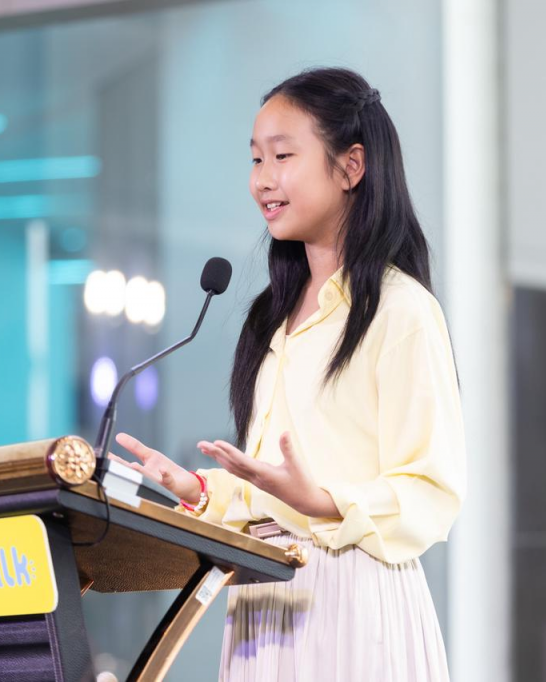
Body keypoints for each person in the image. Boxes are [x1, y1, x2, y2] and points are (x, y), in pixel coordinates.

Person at [109, 66, 466, 681]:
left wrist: (322, 503)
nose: (262, 180)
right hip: (262, 594)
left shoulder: (401, 309)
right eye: (256, 159)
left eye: (282, 156)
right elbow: (267, 490)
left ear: (351, 166)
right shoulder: (270, 319)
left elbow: (430, 490)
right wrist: (198, 491)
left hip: (351, 593)